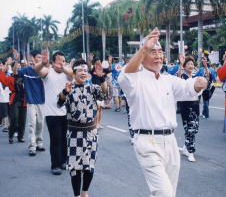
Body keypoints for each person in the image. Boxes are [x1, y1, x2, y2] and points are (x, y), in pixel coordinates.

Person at [118, 28, 207, 197]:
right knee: (165, 193)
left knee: (168, 192)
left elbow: (187, 87)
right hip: (147, 142)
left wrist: (198, 83)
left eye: (160, 52)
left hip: (170, 142)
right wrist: (144, 48)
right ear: (143, 56)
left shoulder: (168, 80)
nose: (158, 55)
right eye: (153, 52)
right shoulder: (134, 80)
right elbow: (124, 76)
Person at [57, 59, 105, 197]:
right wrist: (65, 92)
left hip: (91, 132)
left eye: (85, 70)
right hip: (74, 133)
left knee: (90, 166)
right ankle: (76, 195)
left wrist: (102, 79)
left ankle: (85, 192)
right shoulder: (69, 88)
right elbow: (59, 103)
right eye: (80, 70)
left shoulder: (93, 88)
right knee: (75, 168)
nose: (83, 73)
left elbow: (105, 94)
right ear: (74, 73)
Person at [35, 50, 73, 175]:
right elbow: (38, 70)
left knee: (64, 139)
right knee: (55, 140)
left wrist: (64, 66)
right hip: (51, 113)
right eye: (58, 61)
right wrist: (42, 63)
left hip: (65, 112)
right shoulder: (48, 72)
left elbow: (72, 74)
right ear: (52, 62)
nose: (61, 63)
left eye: (63, 61)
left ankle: (63, 161)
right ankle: (55, 165)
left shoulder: (66, 74)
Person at [15, 50, 46, 156]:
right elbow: (15, 73)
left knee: (40, 123)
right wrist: (16, 60)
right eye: (38, 57)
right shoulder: (26, 70)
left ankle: (39, 143)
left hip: (42, 101)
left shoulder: (43, 71)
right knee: (32, 123)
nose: (39, 59)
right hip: (30, 101)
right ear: (32, 58)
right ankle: (32, 146)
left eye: (41, 57)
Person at [178, 55, 202, 162]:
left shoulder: (195, 77)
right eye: (189, 64)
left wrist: (205, 67)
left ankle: (185, 146)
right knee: (190, 128)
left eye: (192, 64)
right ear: (185, 66)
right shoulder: (182, 76)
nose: (191, 66)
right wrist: (180, 64)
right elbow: (177, 79)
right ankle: (191, 152)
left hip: (195, 104)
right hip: (185, 104)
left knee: (194, 128)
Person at [0, 59, 27, 144]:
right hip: (14, 99)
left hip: (24, 99)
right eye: (17, 65)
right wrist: (10, 63)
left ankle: (20, 136)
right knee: (14, 118)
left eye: (20, 65)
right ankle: (11, 135)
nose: (19, 67)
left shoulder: (25, 76)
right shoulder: (10, 77)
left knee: (22, 120)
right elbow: (2, 77)